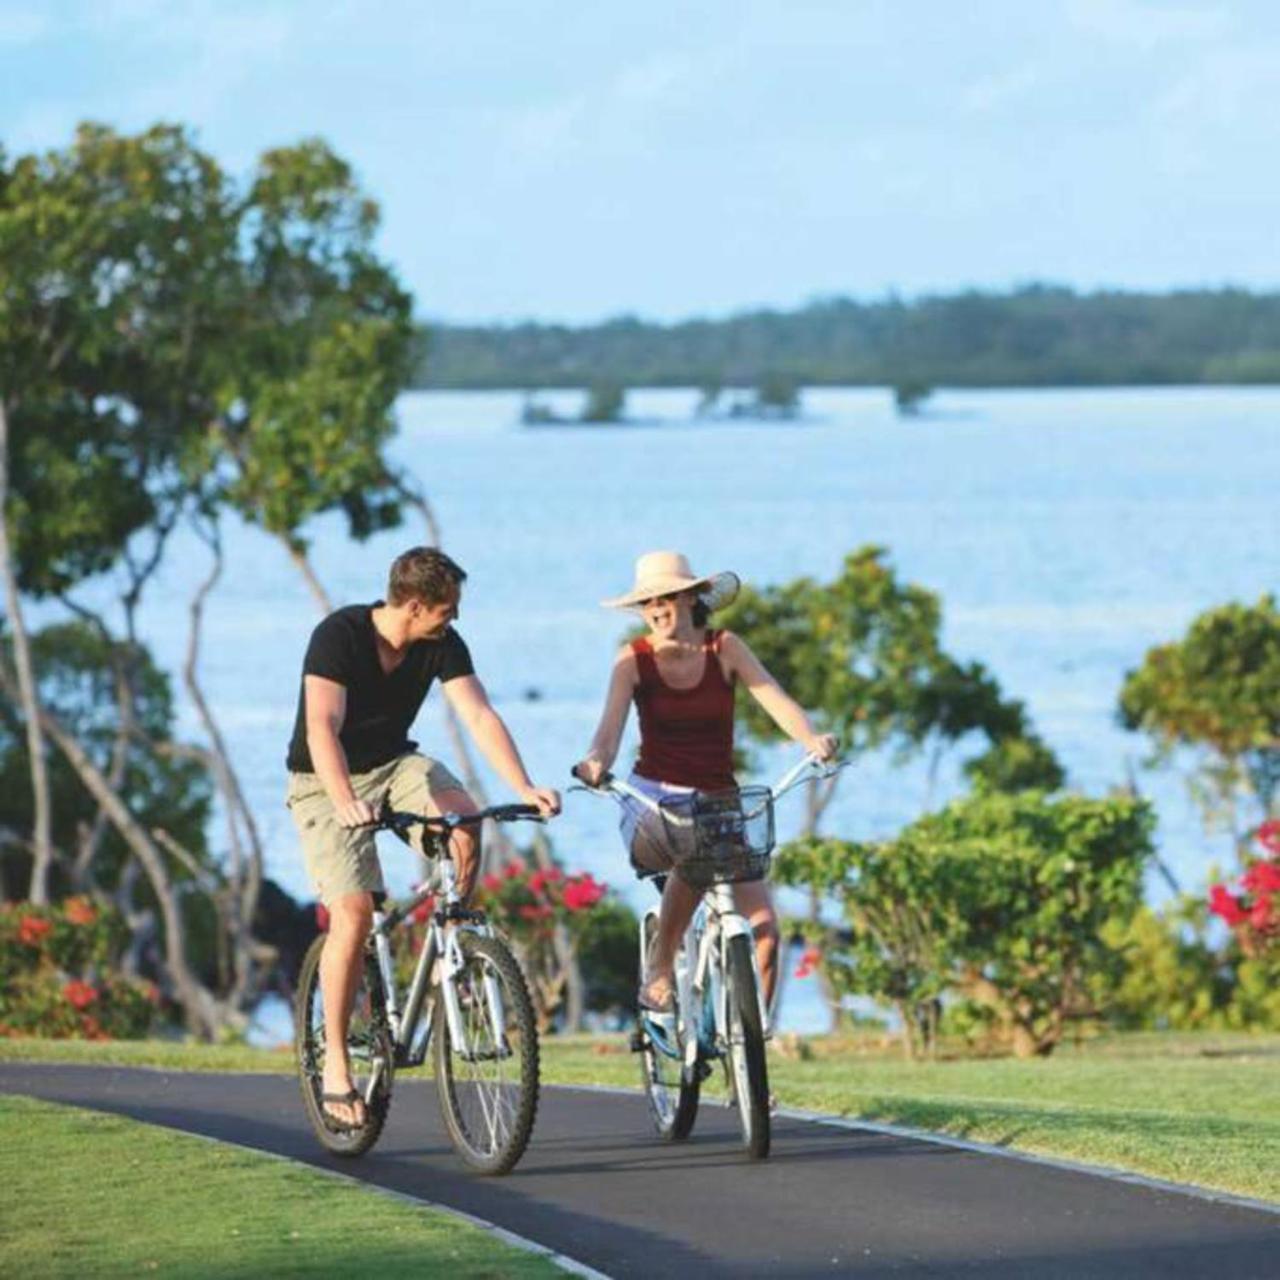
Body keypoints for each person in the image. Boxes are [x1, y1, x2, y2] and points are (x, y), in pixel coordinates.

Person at [286, 546, 559, 1130]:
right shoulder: (339, 635)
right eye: (446, 610)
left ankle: (453, 946)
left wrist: (525, 784)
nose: (453, 619)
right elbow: (320, 727)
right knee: (354, 913)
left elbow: (478, 716)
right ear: (414, 604)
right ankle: (336, 1060)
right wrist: (343, 801)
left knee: (464, 826)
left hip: (396, 766)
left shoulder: (440, 644)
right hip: (323, 778)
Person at [574, 550, 835, 1015]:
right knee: (692, 852)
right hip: (652, 806)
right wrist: (594, 763)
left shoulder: (725, 648)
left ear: (692, 597)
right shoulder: (632, 660)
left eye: (667, 597)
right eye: (647, 602)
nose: (656, 608)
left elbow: (774, 700)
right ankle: (659, 966)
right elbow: (607, 735)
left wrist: (811, 739)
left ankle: (752, 1060)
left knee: (767, 934)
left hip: (718, 808)